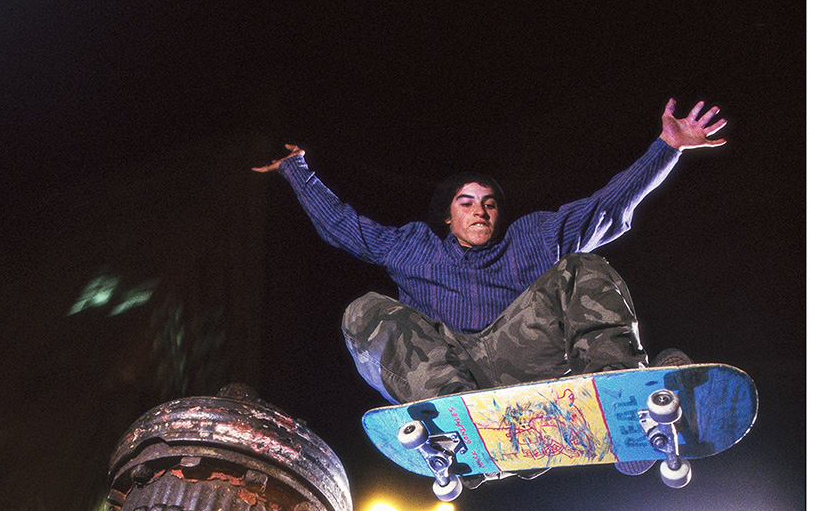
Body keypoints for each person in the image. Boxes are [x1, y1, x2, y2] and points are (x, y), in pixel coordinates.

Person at [253, 100, 726, 404]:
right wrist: (298, 171)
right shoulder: (412, 247)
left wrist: (668, 147)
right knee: (365, 311)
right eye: (467, 204)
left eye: (489, 205)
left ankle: (617, 392)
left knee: (584, 266)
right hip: (448, 368)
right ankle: (456, 417)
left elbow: (607, 205)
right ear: (448, 217)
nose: (479, 213)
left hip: (524, 356)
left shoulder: (534, 238)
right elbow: (343, 226)